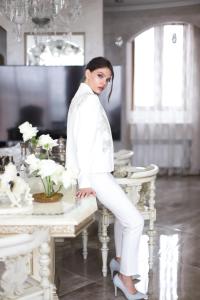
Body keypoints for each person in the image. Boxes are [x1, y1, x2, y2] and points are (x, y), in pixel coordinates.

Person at [66, 57, 146, 300]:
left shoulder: (82, 97)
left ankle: (120, 261)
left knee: (125, 217)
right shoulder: (88, 101)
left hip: (99, 173)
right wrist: (86, 183)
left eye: (108, 79)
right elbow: (82, 144)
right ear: (88, 73)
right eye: (100, 75)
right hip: (95, 175)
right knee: (135, 221)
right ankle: (125, 278)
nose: (104, 82)